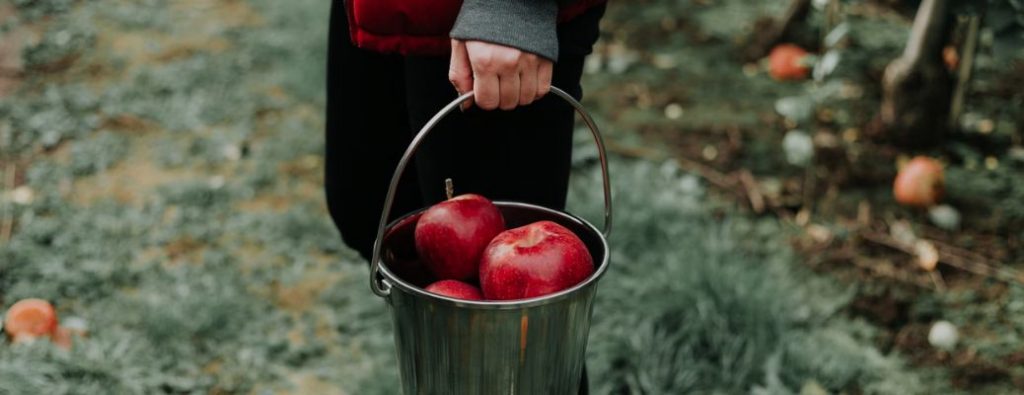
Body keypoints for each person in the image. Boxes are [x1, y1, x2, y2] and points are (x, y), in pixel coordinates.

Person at [324, 0, 606, 393]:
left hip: (481, 25)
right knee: (365, 205)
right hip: (392, 11)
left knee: (513, 337)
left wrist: (512, 9)